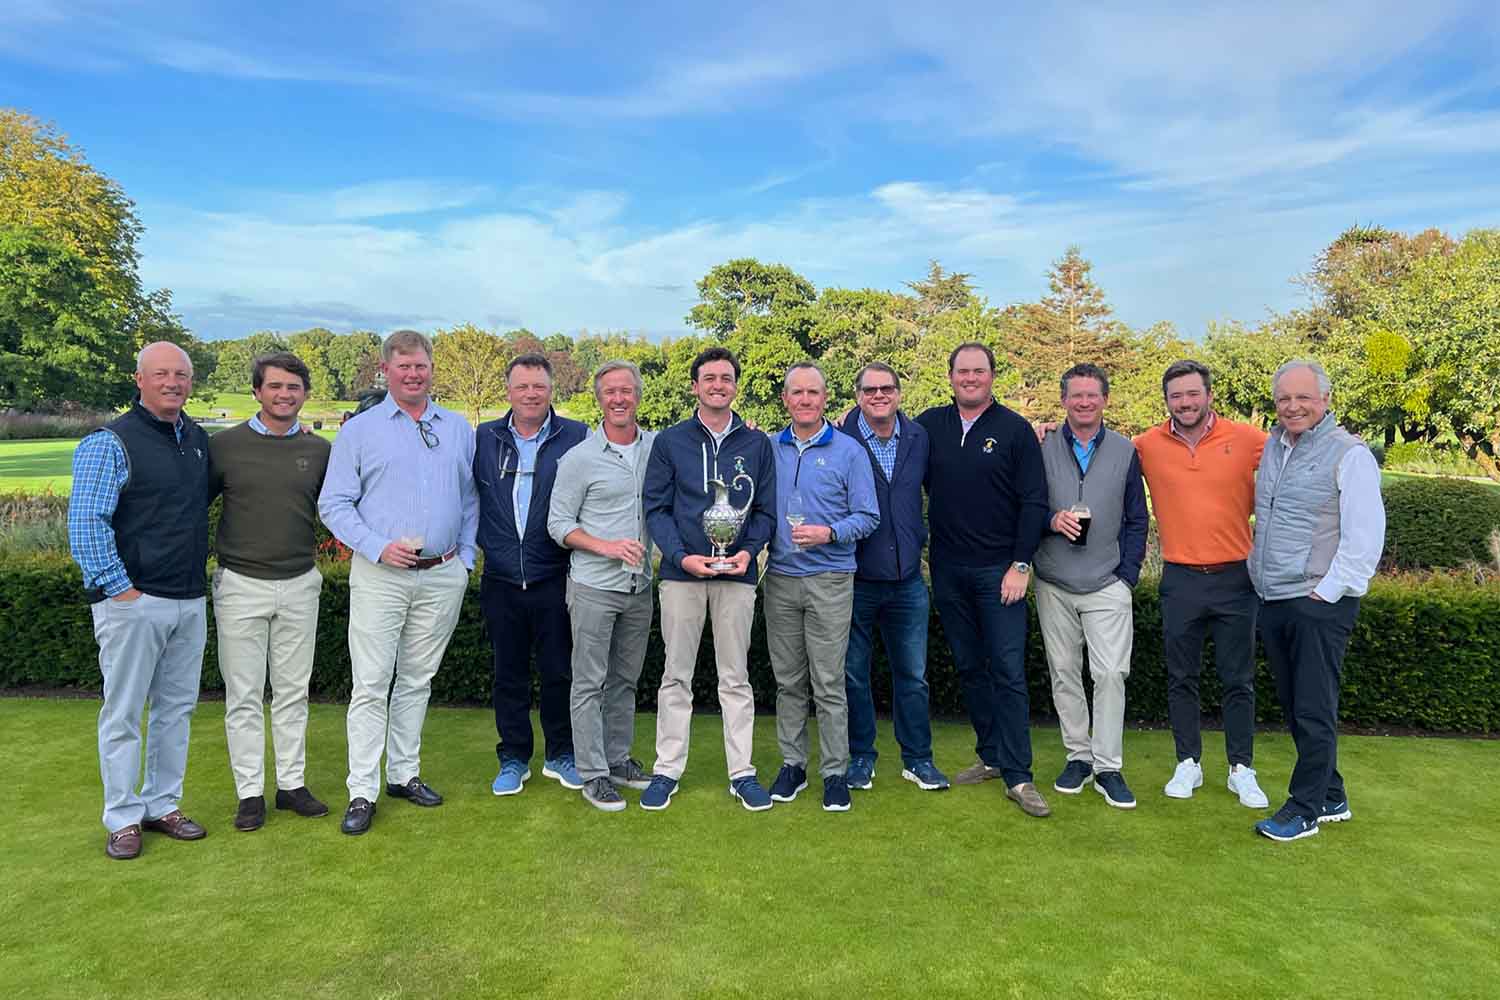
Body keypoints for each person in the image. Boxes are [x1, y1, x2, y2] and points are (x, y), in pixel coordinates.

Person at [317, 329, 477, 835]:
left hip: (443, 574)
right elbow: (333, 503)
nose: (413, 373)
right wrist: (376, 546)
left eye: (421, 365)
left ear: (432, 368)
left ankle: (403, 773)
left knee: (416, 680)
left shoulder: (457, 428)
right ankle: (361, 789)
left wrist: (465, 559)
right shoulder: (360, 431)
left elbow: (471, 499)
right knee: (371, 683)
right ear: (384, 370)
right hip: (381, 574)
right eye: (402, 365)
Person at [67, 341, 212, 859]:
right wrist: (119, 587)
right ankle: (123, 817)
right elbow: (86, 524)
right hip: (134, 600)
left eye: (181, 375)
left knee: (176, 710)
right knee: (124, 712)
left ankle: (162, 805)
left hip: (188, 598)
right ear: (140, 379)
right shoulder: (110, 442)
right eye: (161, 374)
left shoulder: (196, 440)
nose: (172, 382)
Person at [1249, 361, 1384, 842]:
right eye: (1284, 398)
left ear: (1325, 400)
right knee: (1295, 704)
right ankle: (1332, 795)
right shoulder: (1274, 446)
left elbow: (1365, 539)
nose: (1293, 406)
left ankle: (1303, 810)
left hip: (1317, 603)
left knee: (1313, 707)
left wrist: (1324, 593)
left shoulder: (1350, 454)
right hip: (1275, 597)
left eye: (1303, 397)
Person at [639, 346, 777, 812]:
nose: (718, 385)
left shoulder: (757, 444)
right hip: (682, 575)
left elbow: (766, 512)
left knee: (735, 678)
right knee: (675, 675)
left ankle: (742, 772)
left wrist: (746, 552)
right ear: (695, 385)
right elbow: (655, 508)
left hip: (736, 576)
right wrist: (680, 556)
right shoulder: (670, 441)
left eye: (726, 378)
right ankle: (666, 770)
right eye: (709, 378)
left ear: (736, 385)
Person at [918, 342, 1050, 818]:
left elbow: (1034, 502)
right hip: (949, 569)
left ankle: (1020, 775)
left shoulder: (1014, 431)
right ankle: (991, 755)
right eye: (962, 371)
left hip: (1001, 573)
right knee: (971, 667)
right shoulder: (930, 426)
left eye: (979, 371)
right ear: (950, 376)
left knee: (1008, 672)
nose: (970, 378)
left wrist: (1021, 564)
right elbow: (878, 436)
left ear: (992, 376)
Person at [1133, 360, 1270, 808]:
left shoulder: (1248, 439)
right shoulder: (1147, 444)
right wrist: (1047, 434)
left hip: (1236, 578)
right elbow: (1098, 453)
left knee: (1238, 679)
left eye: (1193, 394)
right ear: (1166, 400)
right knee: (1181, 677)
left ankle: (1240, 769)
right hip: (1180, 578)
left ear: (1209, 395)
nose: (1186, 403)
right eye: (1176, 396)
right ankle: (1187, 762)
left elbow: (1295, 456)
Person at [208, 351, 332, 832]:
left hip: (301, 582)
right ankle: (249, 793)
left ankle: (291, 785)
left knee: (292, 692)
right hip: (240, 584)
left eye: (294, 387)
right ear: (257, 391)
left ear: (305, 395)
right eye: (275, 386)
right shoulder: (224, 447)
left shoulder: (319, 450)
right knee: (243, 695)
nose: (284, 394)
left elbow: (340, 505)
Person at [763, 363, 879, 812]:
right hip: (781, 579)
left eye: (813, 392)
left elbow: (868, 516)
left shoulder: (849, 452)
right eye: (797, 392)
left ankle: (834, 772)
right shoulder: (769, 447)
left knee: (829, 682)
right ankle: (793, 765)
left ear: (825, 399)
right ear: (786, 399)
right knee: (789, 681)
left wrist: (829, 532)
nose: (805, 399)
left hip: (831, 578)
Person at [1034, 364, 1149, 809]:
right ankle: (1078, 757)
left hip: (1106, 582)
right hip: (1054, 580)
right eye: (1075, 395)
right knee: (1064, 673)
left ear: (1105, 400)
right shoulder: (1041, 445)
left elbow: (1138, 518)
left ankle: (1108, 767)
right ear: (1063, 400)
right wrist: (1049, 520)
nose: (1084, 402)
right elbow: (1026, 505)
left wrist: (1129, 575)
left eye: (1092, 395)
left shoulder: (1124, 450)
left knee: (1109, 675)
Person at [475, 354, 588, 797]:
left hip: (554, 575)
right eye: (522, 386)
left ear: (550, 390)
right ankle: (514, 758)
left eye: (538, 386)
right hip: (501, 579)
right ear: (509, 391)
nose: (530, 394)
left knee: (560, 672)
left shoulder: (575, 435)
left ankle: (561, 754)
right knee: (509, 675)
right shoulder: (484, 438)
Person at [546, 361, 657, 812]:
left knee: (625, 680)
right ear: (599, 398)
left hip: (640, 587)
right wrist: (606, 547)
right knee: (589, 682)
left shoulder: (657, 448)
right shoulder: (578, 459)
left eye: (626, 391)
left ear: (638, 396)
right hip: (593, 585)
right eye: (610, 392)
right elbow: (558, 525)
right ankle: (593, 774)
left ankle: (617, 758)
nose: (619, 399)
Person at [838, 363, 950, 794]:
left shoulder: (919, 437)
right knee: (853, 675)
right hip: (857, 577)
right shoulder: (841, 438)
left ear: (899, 394)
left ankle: (918, 760)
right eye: (870, 390)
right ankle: (861, 757)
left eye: (887, 388)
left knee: (913, 676)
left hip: (907, 581)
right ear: (858, 396)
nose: (879, 395)